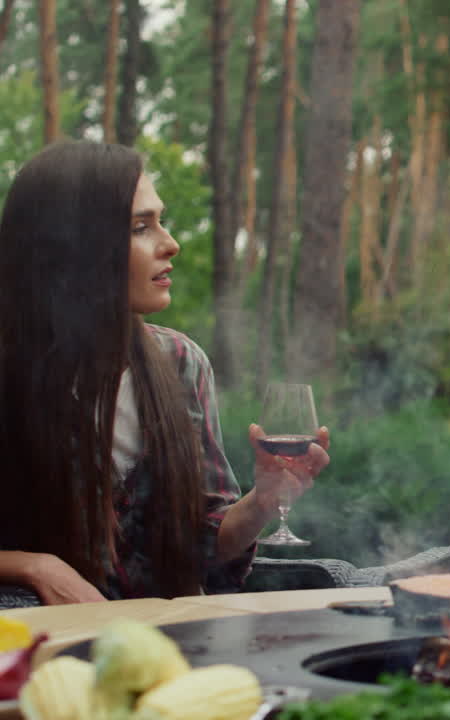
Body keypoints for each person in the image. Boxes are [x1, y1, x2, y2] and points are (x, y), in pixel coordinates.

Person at [0, 141, 330, 604]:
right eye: (140, 227)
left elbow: (203, 546)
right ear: (72, 246)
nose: (170, 244)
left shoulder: (181, 362)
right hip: (38, 659)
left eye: (160, 221)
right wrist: (33, 565)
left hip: (168, 650)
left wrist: (262, 500)